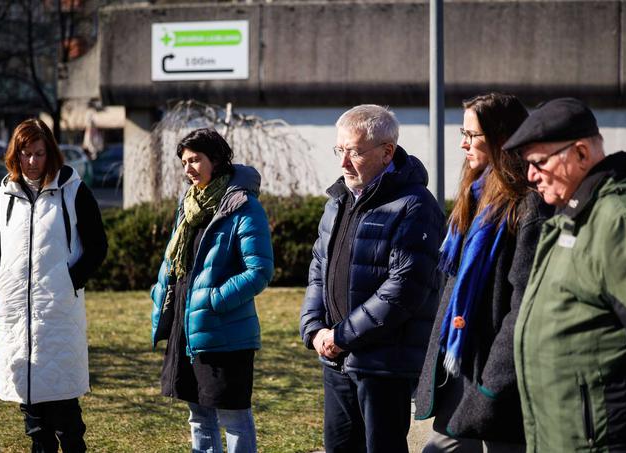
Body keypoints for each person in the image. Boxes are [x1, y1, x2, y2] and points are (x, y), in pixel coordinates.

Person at [501, 97, 626, 452]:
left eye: (538, 162)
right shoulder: (571, 216)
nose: (530, 176)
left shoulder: (619, 220)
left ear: (581, 153)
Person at [299, 104, 445, 453]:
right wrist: (315, 328)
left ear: (387, 152)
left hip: (383, 365)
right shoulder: (337, 201)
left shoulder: (415, 205)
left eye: (354, 152)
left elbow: (404, 288)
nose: (343, 162)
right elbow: (319, 268)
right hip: (334, 358)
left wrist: (344, 335)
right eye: (340, 150)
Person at [413, 93, 552, 452]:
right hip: (462, 363)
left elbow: (524, 304)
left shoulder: (528, 203)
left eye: (472, 134)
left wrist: (494, 380)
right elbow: (453, 285)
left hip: (498, 375)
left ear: (502, 138)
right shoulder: (475, 193)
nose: (463, 143)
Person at [0, 118, 107, 452]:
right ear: (15, 155)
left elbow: (97, 246)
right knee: (34, 422)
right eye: (26, 154)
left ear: (50, 153)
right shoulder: (5, 194)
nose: (33, 161)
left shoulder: (73, 190)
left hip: (57, 318)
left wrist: (69, 282)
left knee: (67, 420)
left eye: (39, 153)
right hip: (15, 319)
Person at [150, 128, 274, 453]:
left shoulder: (242, 206)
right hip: (188, 326)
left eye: (195, 160)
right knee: (198, 414)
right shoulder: (188, 206)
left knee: (234, 416)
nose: (188, 168)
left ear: (216, 160)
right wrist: (161, 293)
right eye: (184, 162)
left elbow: (259, 271)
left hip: (224, 330)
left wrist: (214, 299)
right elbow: (176, 260)